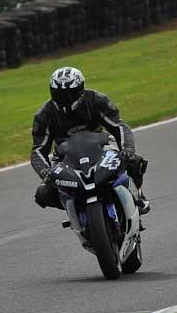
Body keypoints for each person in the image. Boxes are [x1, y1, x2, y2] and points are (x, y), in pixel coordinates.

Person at [31, 67, 150, 214]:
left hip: (102, 146)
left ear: (81, 90)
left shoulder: (96, 100)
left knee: (135, 162)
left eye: (70, 94)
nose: (65, 99)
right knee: (43, 194)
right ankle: (76, 209)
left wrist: (128, 150)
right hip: (65, 156)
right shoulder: (44, 115)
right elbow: (38, 150)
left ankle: (137, 195)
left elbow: (119, 126)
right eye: (59, 95)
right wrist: (45, 172)